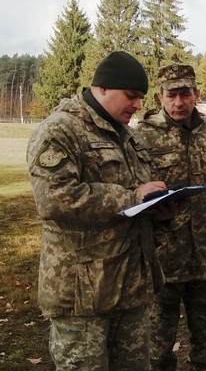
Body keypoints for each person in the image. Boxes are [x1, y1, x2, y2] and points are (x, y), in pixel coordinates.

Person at [27, 51, 168, 370]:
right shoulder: (61, 131)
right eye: (131, 96)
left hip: (130, 290)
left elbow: (137, 199)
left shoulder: (129, 136)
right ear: (102, 88)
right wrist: (132, 198)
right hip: (83, 296)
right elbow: (55, 198)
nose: (138, 105)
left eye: (141, 98)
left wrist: (158, 210)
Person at [135, 64, 206, 371]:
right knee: (158, 347)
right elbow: (129, 192)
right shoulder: (142, 137)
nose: (179, 102)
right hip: (162, 258)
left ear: (197, 94)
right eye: (171, 95)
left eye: (185, 94)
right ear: (159, 96)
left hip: (205, 256)